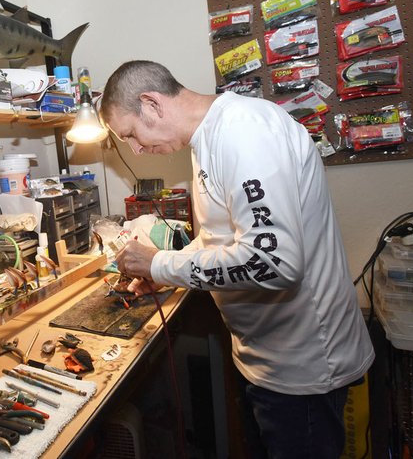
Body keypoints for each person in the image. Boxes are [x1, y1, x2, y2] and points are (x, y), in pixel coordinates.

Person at [102, 60, 374, 459]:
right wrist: (164, 266)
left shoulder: (245, 132)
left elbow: (272, 260)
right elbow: (219, 240)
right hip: (263, 360)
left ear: (152, 104)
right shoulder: (206, 141)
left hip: (303, 368)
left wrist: (160, 264)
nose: (137, 150)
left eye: (131, 135)